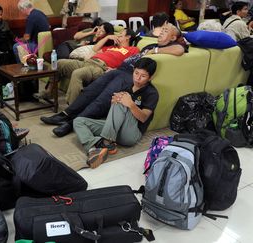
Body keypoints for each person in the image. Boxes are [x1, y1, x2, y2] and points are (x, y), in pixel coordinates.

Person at [41, 23, 185, 137]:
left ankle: (72, 123)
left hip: (130, 75)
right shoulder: (151, 45)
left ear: (172, 38)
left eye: (166, 30)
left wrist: (157, 51)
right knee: (92, 90)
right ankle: (64, 115)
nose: (161, 32)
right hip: (119, 70)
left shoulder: (171, 46)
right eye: (162, 29)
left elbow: (179, 50)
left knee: (103, 97)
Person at [73, 57, 159, 169]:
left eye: (143, 76)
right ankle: (93, 149)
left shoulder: (152, 93)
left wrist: (131, 105)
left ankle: (106, 142)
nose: (137, 78)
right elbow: (114, 114)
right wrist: (113, 103)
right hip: (115, 130)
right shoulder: (127, 87)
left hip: (131, 134)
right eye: (136, 73)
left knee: (121, 101)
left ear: (150, 77)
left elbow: (143, 118)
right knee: (79, 121)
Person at [57, 28, 140, 104]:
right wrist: (107, 37)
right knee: (58, 63)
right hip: (88, 62)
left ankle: (71, 110)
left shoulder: (133, 49)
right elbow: (95, 49)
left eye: (120, 35)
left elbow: (132, 63)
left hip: (100, 67)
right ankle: (49, 92)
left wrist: (115, 70)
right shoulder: (111, 47)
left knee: (77, 73)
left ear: (128, 37)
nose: (117, 36)